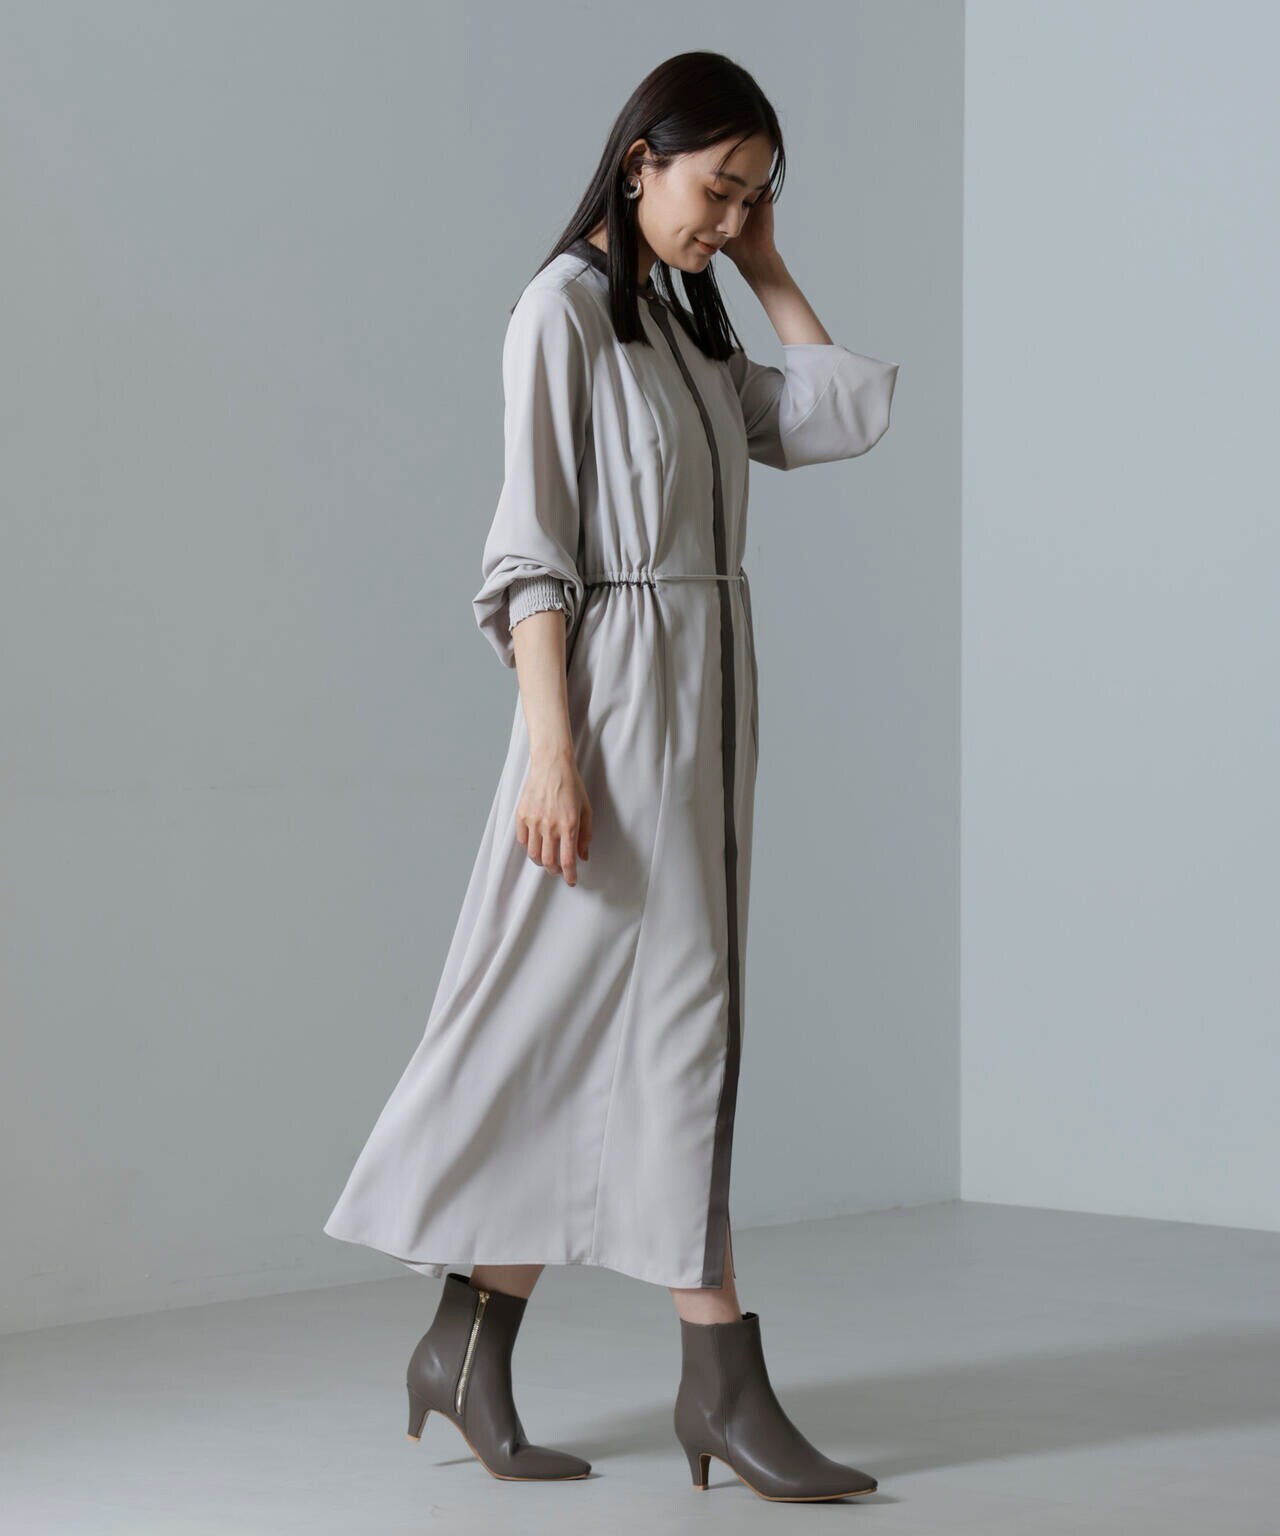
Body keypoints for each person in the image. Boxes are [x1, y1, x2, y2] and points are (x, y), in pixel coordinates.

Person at [323, 50, 899, 1501]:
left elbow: (830, 418)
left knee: (597, 1037)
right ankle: (723, 1385)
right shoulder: (561, 315)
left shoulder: (687, 326)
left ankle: (466, 1343)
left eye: (755, 198)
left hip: (707, 708)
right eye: (718, 190)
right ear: (642, 158)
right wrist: (554, 753)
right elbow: (529, 552)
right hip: (614, 717)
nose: (730, 218)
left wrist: (766, 269)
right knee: (661, 1029)